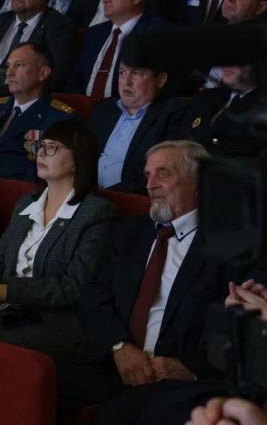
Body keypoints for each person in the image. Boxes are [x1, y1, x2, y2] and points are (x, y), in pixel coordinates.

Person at [0, 120, 118, 361]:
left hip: (51, 321)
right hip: (7, 311)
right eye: (40, 146)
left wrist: (3, 291)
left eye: (52, 147)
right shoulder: (27, 202)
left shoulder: (96, 212)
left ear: (79, 159)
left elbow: (72, 287)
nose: (41, 153)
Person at [66, 141, 230, 424]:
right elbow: (94, 294)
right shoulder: (128, 232)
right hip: (113, 360)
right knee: (34, 380)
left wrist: (191, 369)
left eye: (163, 173)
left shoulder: (228, 246)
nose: (150, 185)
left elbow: (233, 323)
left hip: (173, 377)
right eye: (147, 175)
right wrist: (119, 347)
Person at [0, 43, 77, 181]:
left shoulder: (61, 118)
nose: (9, 73)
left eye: (19, 65)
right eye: (8, 66)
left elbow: (50, 174)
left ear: (42, 73)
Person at [90, 51, 185, 194]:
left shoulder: (173, 115)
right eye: (122, 72)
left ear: (160, 80)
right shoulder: (104, 109)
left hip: (129, 199)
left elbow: (163, 174)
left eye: (137, 73)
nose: (126, 82)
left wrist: (109, 194)